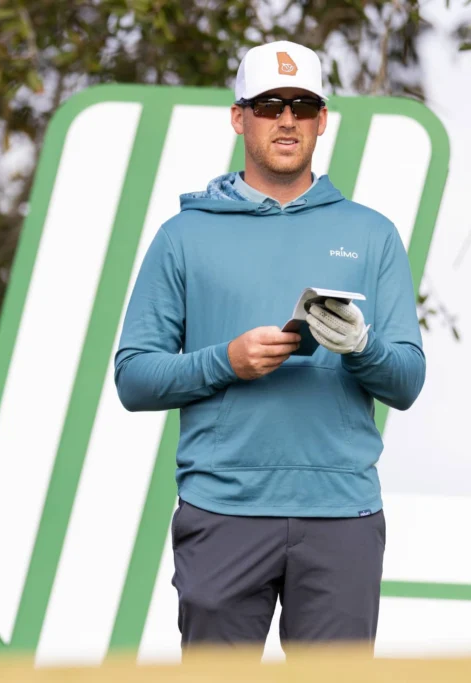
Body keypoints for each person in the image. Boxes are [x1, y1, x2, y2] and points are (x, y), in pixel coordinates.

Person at [114, 40, 425, 655]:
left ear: (322, 120)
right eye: (269, 104)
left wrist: (361, 348)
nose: (287, 119)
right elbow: (133, 378)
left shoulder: (372, 233)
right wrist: (225, 362)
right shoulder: (183, 236)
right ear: (239, 116)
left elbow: (408, 381)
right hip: (222, 511)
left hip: (342, 516)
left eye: (303, 105)